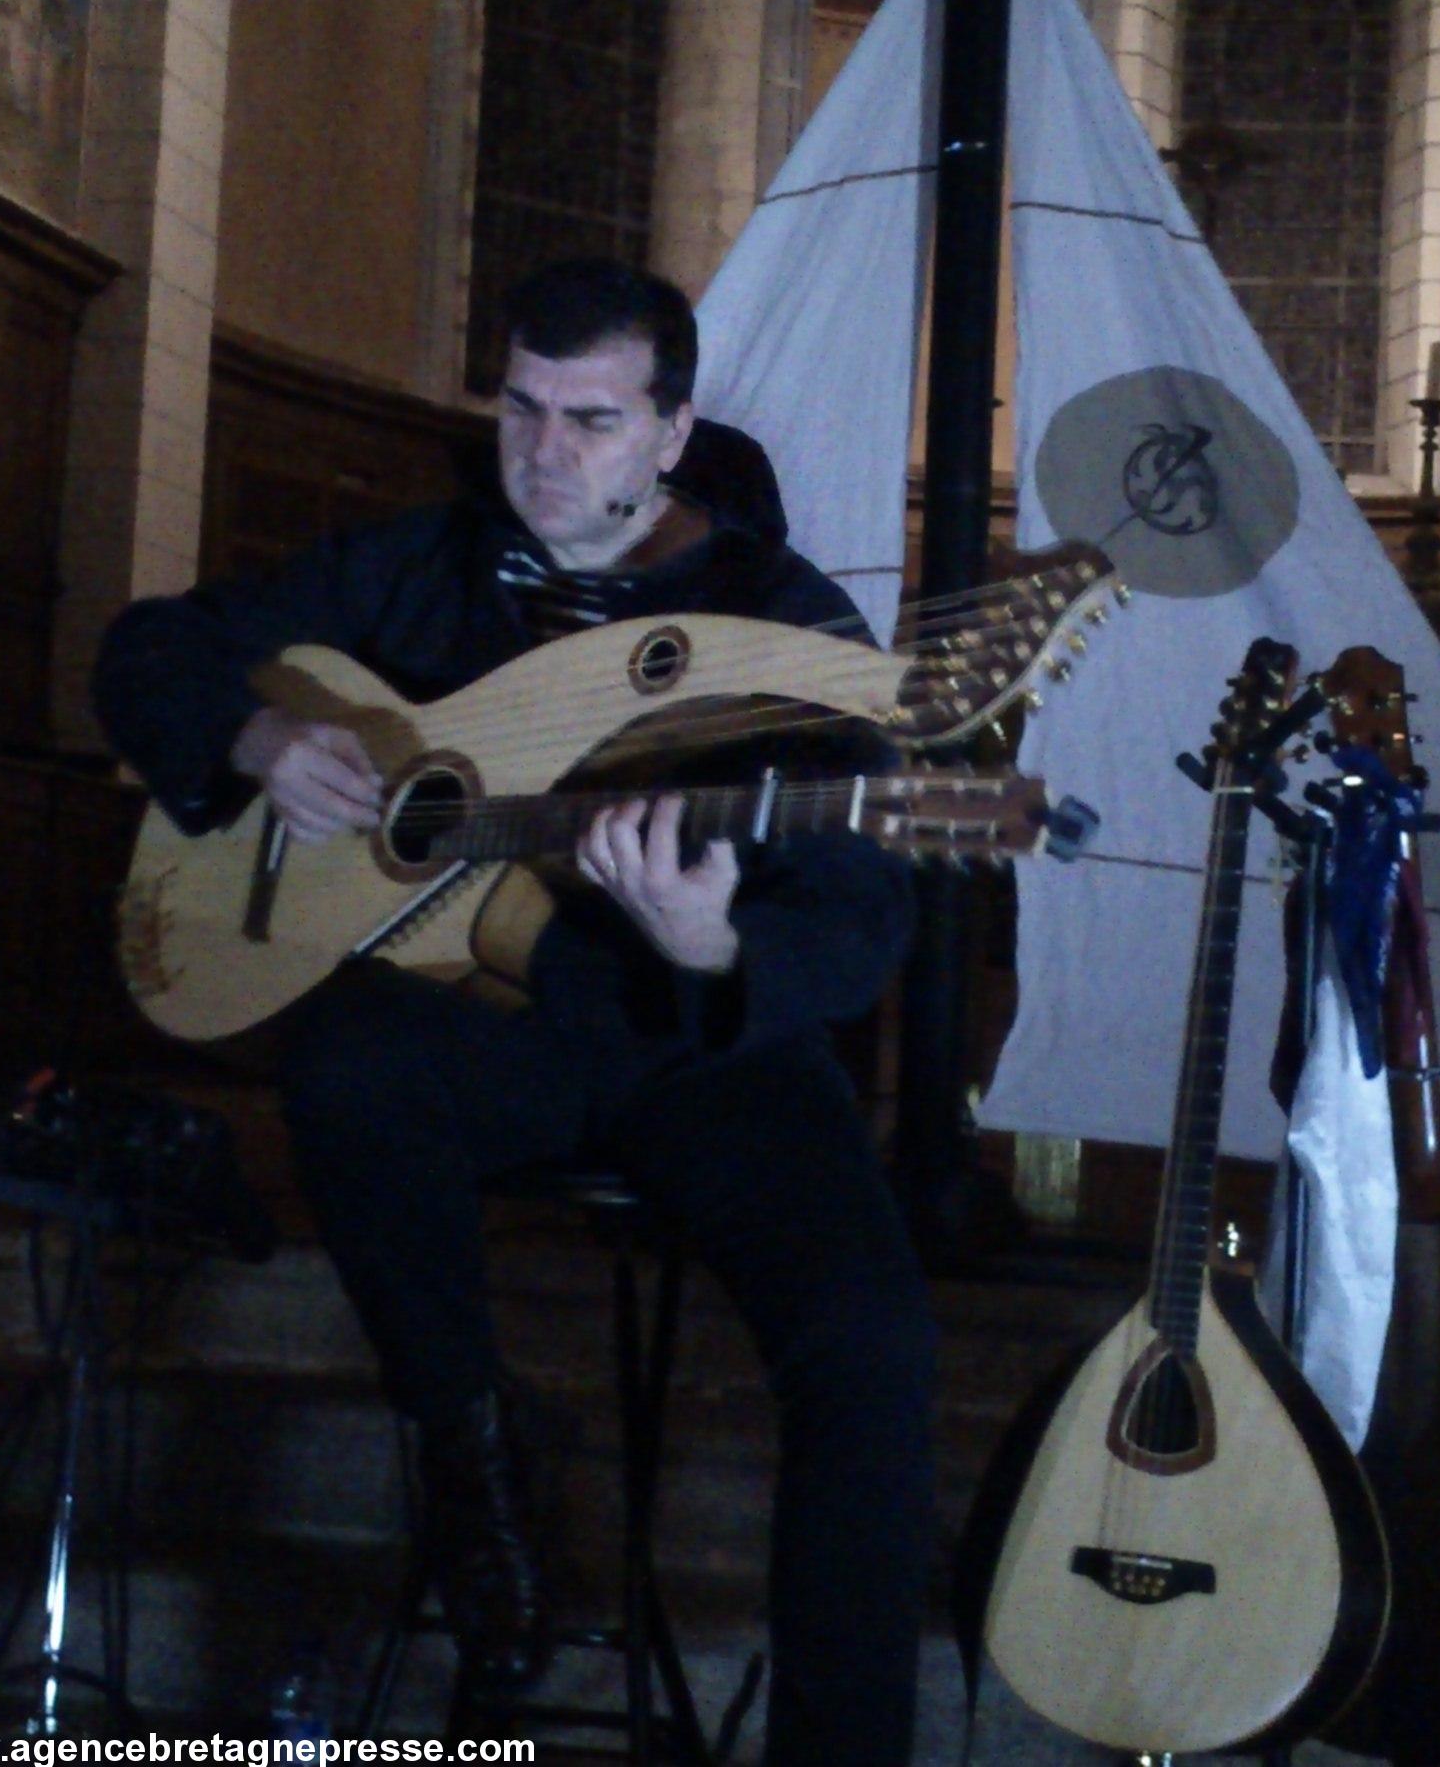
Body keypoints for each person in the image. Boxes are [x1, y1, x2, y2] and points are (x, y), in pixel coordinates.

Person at [92, 259, 935, 1766]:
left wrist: (717, 938)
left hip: (701, 1055)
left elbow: (867, 913)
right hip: (493, 1028)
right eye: (523, 411)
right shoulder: (424, 564)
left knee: (872, 1340)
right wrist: (256, 731)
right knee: (347, 1064)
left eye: (595, 422)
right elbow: (146, 647)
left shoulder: (779, 621)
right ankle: (474, 1453)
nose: (547, 455)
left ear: (673, 433)